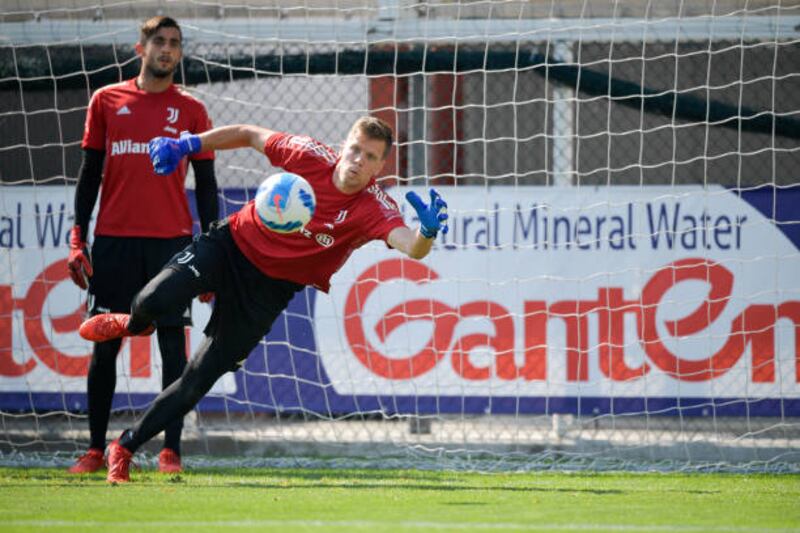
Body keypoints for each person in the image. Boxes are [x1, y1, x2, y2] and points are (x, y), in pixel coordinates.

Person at [77, 115, 448, 483]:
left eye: (370, 157)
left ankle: (123, 448)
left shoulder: (374, 206)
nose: (358, 161)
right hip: (231, 246)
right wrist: (187, 145)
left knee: (198, 379)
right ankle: (134, 323)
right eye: (354, 150)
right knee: (150, 300)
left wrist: (426, 232)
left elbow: (411, 246)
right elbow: (248, 133)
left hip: (268, 289)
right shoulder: (309, 156)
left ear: (380, 166)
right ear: (342, 147)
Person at [66, 16, 218, 475]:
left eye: (174, 43)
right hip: (114, 240)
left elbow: (207, 185)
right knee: (106, 344)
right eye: (159, 42)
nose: (167, 50)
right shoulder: (106, 100)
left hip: (171, 244)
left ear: (180, 52)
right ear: (141, 48)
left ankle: (170, 451)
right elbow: (89, 175)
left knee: (173, 348)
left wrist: (210, 249)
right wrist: (78, 235)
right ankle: (95, 449)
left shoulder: (192, 110)